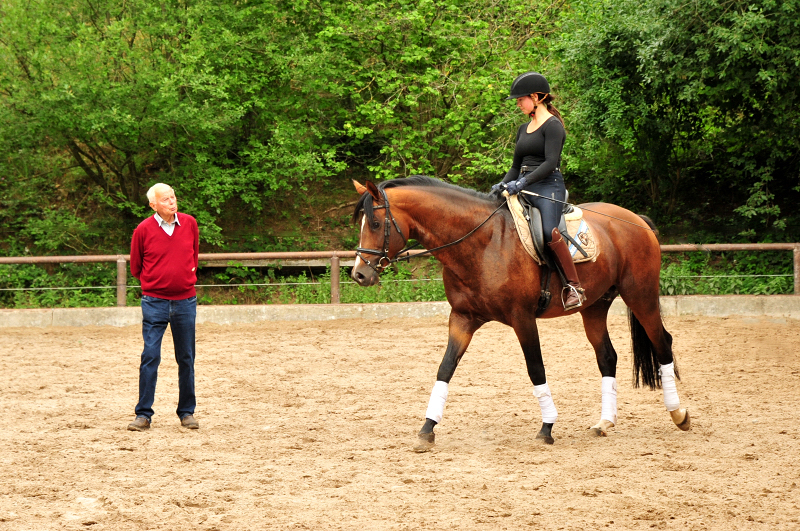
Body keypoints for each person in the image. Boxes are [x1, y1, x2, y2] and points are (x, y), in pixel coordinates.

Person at [490, 71, 586, 310]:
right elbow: (515, 167)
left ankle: (573, 286)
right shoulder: (524, 128)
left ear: (536, 97)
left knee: (548, 231)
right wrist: (502, 184)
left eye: (521, 99)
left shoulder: (553, 126)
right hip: (523, 184)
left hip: (548, 186)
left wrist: (522, 183)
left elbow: (550, 163)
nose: (518, 104)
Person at [127, 183, 200, 431]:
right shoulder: (143, 230)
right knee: (150, 356)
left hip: (185, 301)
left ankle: (187, 412)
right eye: (166, 199)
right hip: (154, 302)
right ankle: (143, 414)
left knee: (186, 358)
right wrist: (155, 284)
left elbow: (194, 256)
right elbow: (136, 266)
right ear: (153, 205)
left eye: (173, 197)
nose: (172, 201)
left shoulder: (190, 224)